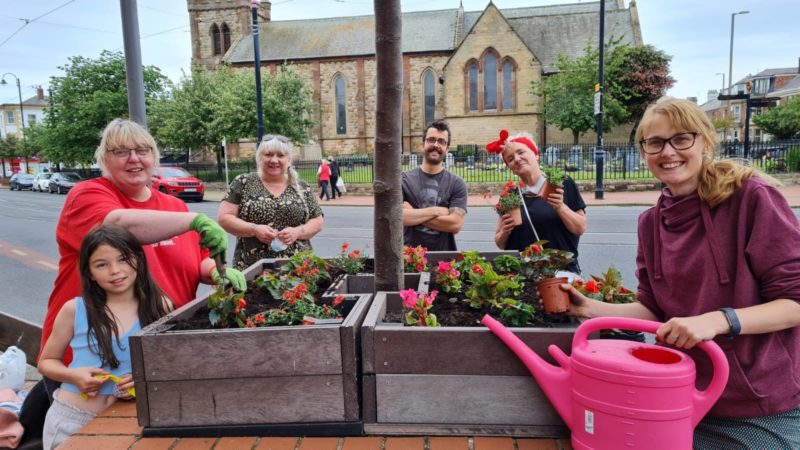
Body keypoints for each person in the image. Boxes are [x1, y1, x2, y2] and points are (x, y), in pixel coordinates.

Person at [559, 97, 800, 448]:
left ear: (705, 142)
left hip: (760, 407)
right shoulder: (651, 222)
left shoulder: (752, 198)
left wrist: (718, 320)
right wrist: (588, 308)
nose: (667, 152)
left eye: (681, 139)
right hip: (682, 396)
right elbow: (654, 310)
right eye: (654, 143)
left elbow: (794, 302)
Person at [20, 118, 245, 442]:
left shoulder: (172, 205)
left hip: (149, 363)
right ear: (104, 159)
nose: (134, 159)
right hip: (90, 371)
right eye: (121, 151)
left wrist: (217, 273)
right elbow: (118, 224)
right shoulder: (87, 196)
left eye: (142, 150)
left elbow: (194, 260)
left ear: (154, 157)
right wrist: (192, 219)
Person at [39, 225, 172, 449]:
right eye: (102, 264)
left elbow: (169, 363)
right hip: (71, 421)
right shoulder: (75, 310)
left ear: (139, 259)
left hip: (129, 424)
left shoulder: (160, 307)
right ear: (89, 272)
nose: (115, 271)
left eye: (123, 259)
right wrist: (74, 376)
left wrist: (142, 379)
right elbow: (46, 361)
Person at [218, 134, 324, 270]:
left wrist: (297, 232)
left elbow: (317, 221)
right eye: (268, 155)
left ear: (289, 160)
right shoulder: (243, 182)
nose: (274, 160)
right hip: (253, 267)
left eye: (280, 155)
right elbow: (224, 218)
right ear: (259, 157)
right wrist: (254, 229)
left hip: (298, 267)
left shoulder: (302, 187)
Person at [487, 130, 586, 274]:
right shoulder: (509, 196)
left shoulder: (561, 184)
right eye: (510, 158)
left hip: (561, 273)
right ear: (510, 168)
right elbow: (500, 244)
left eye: (521, 152)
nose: (517, 159)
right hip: (523, 276)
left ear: (535, 154)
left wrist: (560, 206)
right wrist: (505, 231)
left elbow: (580, 228)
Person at [401, 120, 468, 251]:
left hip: (444, 261)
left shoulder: (457, 183)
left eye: (441, 141)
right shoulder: (404, 180)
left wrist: (414, 214)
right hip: (410, 259)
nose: (436, 145)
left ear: (447, 149)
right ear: (423, 144)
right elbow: (398, 217)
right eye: (431, 140)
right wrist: (437, 211)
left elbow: (455, 224)